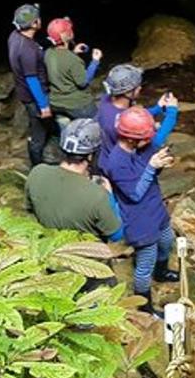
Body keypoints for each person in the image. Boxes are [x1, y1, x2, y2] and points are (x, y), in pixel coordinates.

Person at [100, 107, 180, 314]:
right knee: (144, 266)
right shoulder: (116, 163)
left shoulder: (138, 149)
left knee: (167, 240)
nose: (150, 140)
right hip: (139, 221)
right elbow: (134, 194)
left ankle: (161, 272)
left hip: (156, 210)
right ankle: (145, 307)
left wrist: (159, 163)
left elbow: (150, 167)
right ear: (132, 139)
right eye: (146, 137)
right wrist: (152, 167)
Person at [95, 63, 178, 164]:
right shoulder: (118, 120)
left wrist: (158, 107)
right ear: (127, 92)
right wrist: (172, 113)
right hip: (123, 163)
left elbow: (133, 116)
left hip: (105, 152)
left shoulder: (106, 100)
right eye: (137, 87)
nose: (140, 88)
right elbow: (154, 142)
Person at [7, 3, 56, 166]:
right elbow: (32, 79)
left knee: (42, 127)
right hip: (34, 98)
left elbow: (36, 45)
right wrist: (43, 105)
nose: (40, 20)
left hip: (23, 93)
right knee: (38, 134)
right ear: (34, 24)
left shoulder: (15, 36)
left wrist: (50, 41)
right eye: (37, 18)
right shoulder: (27, 50)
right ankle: (37, 167)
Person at [43, 17, 103, 120]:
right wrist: (95, 61)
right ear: (68, 35)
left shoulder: (48, 53)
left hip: (55, 103)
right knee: (95, 125)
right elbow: (83, 82)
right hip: (76, 105)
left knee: (66, 130)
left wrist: (73, 52)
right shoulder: (73, 60)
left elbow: (61, 65)